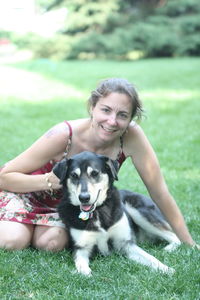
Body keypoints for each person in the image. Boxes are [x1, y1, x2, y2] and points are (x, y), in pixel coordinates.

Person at [0, 78, 198, 252]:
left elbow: (160, 192)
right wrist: (49, 181)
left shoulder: (132, 137)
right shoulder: (63, 134)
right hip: (26, 193)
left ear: (131, 118)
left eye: (122, 115)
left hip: (68, 205)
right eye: (106, 110)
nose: (112, 121)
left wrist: (187, 241)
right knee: (12, 241)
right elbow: (4, 177)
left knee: (51, 244)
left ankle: (34, 230)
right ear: (92, 107)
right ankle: (20, 227)